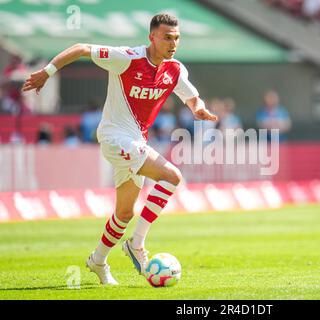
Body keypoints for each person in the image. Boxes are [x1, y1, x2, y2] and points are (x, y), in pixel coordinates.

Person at [22, 13, 218, 285]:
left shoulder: (174, 70)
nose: (172, 43)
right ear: (152, 37)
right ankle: (137, 245)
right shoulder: (127, 58)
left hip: (137, 141)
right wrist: (47, 72)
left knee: (125, 213)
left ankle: (98, 261)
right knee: (172, 176)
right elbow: (81, 48)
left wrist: (200, 109)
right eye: (166, 37)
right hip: (115, 137)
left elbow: (191, 97)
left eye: (176, 38)